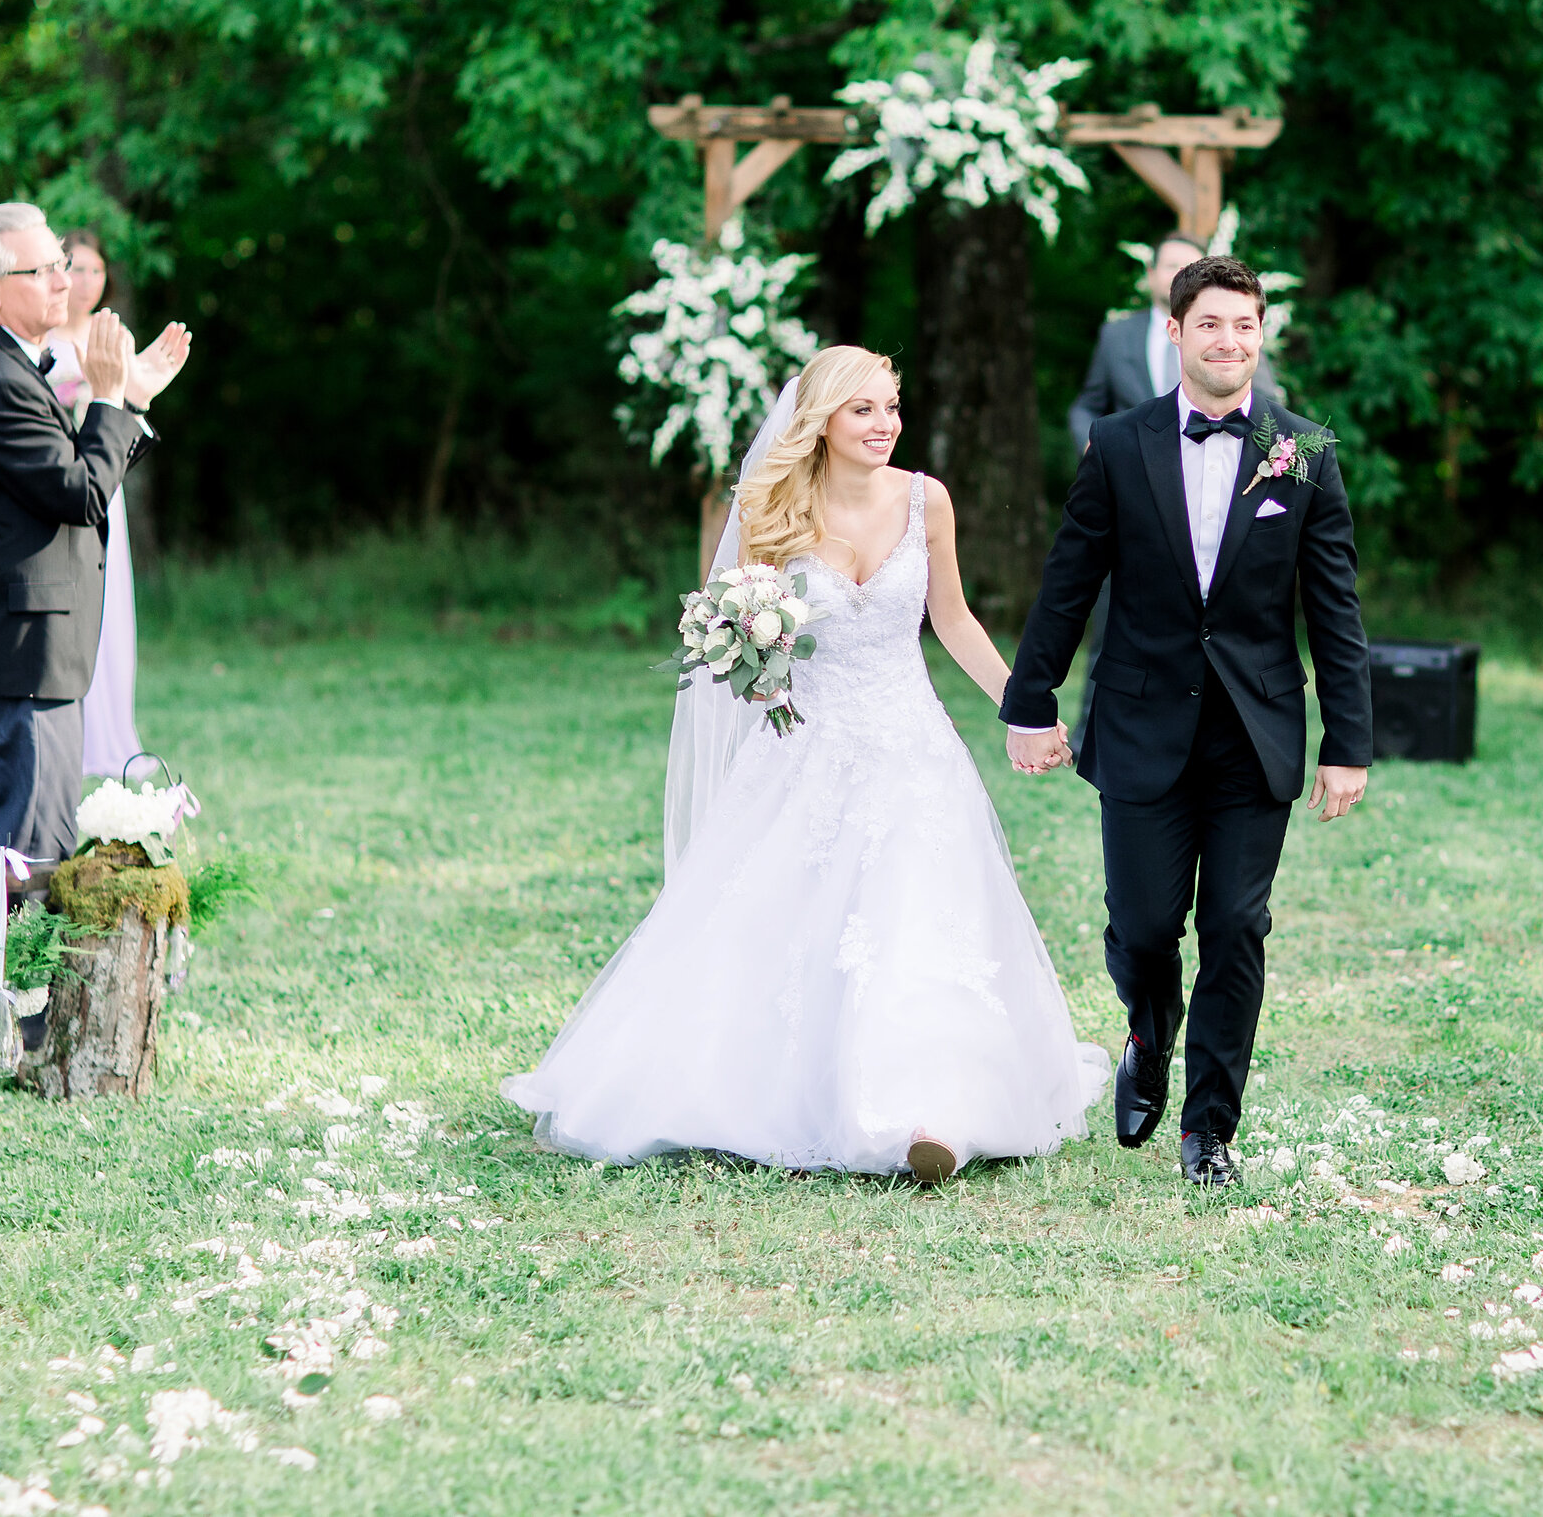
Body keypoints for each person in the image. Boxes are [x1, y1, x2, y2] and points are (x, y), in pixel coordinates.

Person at [502, 346, 1106, 1183]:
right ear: (820, 419)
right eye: (863, 410)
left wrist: (1026, 705)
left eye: (892, 407)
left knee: (916, 919)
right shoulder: (771, 504)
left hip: (909, 748)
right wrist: (753, 668)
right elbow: (739, 632)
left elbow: (955, 619)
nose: (884, 424)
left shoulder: (926, 500)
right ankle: (773, 1093)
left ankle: (932, 1116)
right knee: (786, 924)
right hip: (803, 748)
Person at [1003, 255, 1375, 1188]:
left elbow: (1335, 608)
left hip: (1256, 731)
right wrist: (1029, 701)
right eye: (1212, 324)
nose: (1231, 341)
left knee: (1237, 928)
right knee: (1140, 924)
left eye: (1246, 325)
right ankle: (1147, 1030)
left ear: (1262, 334)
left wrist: (1350, 745)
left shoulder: (1305, 450)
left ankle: (1209, 1130)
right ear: (1174, 334)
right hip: (1138, 722)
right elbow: (1069, 582)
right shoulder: (1118, 444)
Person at [0, 203, 189, 866]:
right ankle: (4, 976)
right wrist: (108, 399)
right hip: (15, 658)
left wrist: (131, 402)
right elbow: (79, 494)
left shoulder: (4, 365)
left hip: (3, 650)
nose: (63, 281)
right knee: (26, 859)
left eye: (62, 265)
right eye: (42, 269)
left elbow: (69, 478)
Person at [1066, 233, 1282, 739]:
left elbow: (1265, 403)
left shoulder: (1233, 344)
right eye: (1166, 265)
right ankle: (1093, 728)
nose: (1171, 273)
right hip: (1130, 500)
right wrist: (1093, 447)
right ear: (1153, 276)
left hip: (1213, 494)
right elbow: (1087, 404)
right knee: (1112, 611)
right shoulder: (1116, 336)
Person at [45, 229, 172, 779]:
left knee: (110, 606)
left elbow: (126, 416)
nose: (88, 280)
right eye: (77, 268)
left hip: (104, 487)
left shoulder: (113, 337)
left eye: (98, 271)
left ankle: (111, 729)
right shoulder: (42, 341)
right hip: (56, 484)